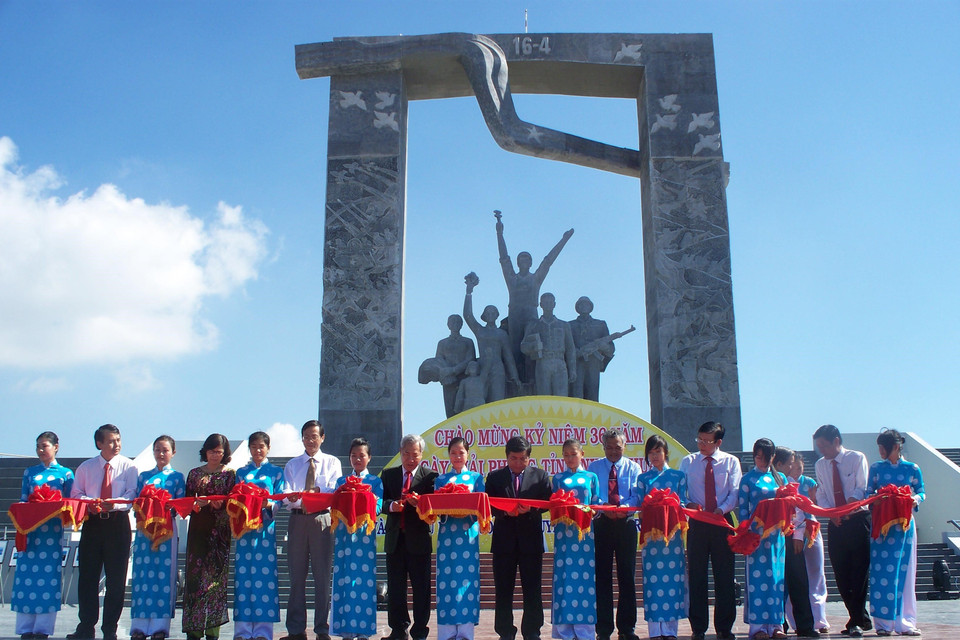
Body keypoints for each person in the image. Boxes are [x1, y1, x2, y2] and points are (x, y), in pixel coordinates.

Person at [68, 424, 139, 640]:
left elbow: (131, 494)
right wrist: (93, 502)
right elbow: (76, 493)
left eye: (118, 440)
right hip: (93, 524)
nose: (116, 445)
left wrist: (114, 505)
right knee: (88, 577)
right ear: (99, 443)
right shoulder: (86, 468)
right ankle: (86, 626)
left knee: (116, 580)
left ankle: (110, 629)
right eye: (110, 441)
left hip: (118, 524)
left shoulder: (129, 466)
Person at [485, 435, 552, 640]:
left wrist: (530, 510)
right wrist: (506, 512)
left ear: (529, 458)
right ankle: (505, 632)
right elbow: (488, 505)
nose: (518, 462)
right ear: (506, 457)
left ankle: (532, 631)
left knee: (532, 589)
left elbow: (548, 503)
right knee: (503, 590)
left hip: (530, 542)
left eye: (522, 458)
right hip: (504, 543)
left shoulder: (540, 476)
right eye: (514, 458)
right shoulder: (495, 478)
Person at [678, 421, 740, 640]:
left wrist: (721, 509)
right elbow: (679, 492)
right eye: (699, 440)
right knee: (697, 575)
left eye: (707, 441)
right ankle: (698, 627)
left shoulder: (731, 462)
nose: (702, 444)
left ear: (719, 442)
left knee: (724, 576)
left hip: (722, 522)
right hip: (697, 523)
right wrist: (687, 503)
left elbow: (735, 492)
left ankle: (724, 627)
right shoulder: (688, 462)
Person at [281, 420, 343, 640]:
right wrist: (297, 497)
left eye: (314, 436)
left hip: (322, 520)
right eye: (306, 436)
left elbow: (333, 491)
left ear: (322, 437)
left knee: (322, 575)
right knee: (297, 576)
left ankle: (322, 628)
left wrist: (314, 493)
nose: (310, 440)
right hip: (298, 520)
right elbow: (287, 494)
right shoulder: (293, 464)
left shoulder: (332, 462)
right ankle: (296, 629)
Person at [496, 211, 574, 383]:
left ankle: (533, 381)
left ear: (530, 263)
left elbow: (548, 261)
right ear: (518, 263)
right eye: (521, 258)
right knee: (515, 349)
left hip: (531, 316)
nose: (524, 260)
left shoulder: (535, 278)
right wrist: (499, 234)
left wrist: (564, 239)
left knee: (533, 348)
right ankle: (515, 382)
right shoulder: (512, 278)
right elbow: (504, 258)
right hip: (515, 316)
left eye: (527, 258)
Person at [12, 431, 74, 640]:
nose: (40, 450)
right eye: (37, 446)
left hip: (52, 534)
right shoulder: (30, 472)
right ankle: (26, 628)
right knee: (27, 578)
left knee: (47, 579)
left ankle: (43, 629)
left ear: (56, 447)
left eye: (44, 446)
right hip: (31, 533)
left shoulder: (65, 474)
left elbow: (70, 504)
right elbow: (23, 500)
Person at [813, 424, 871, 637]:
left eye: (825, 446)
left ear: (836, 441)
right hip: (836, 522)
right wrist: (832, 513)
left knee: (859, 572)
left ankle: (855, 621)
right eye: (819, 447)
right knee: (841, 573)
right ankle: (860, 617)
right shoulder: (821, 465)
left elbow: (861, 487)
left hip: (857, 519)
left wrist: (849, 507)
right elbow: (822, 494)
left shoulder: (856, 458)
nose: (822, 451)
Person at [866, 429, 924, 636]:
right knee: (882, 573)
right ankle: (882, 623)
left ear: (896, 447)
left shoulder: (912, 468)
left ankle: (905, 622)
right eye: (879, 447)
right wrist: (877, 498)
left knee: (905, 573)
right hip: (882, 528)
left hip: (903, 527)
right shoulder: (876, 469)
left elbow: (921, 491)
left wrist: (914, 500)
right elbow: (868, 492)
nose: (880, 451)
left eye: (884, 447)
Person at [380, 434, 438, 640]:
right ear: (400, 453)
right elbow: (380, 502)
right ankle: (398, 630)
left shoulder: (431, 477)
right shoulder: (388, 475)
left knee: (421, 588)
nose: (410, 458)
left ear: (421, 454)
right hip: (395, 541)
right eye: (406, 454)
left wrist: (420, 503)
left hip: (418, 541)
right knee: (396, 589)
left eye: (415, 454)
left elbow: (435, 507)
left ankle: (420, 631)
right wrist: (391, 506)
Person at [587, 428, 642, 640]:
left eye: (617, 447)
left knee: (627, 576)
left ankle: (627, 629)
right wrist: (605, 508)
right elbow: (593, 497)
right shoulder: (594, 467)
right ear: (603, 447)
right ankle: (603, 629)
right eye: (608, 447)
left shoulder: (633, 467)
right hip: (602, 524)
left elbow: (636, 495)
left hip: (626, 525)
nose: (613, 451)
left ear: (624, 446)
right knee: (602, 577)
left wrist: (622, 509)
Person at [131, 435, 186, 640]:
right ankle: (138, 626)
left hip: (166, 532)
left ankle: (159, 628)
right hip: (144, 531)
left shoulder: (177, 477)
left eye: (165, 450)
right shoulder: (143, 476)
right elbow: (135, 502)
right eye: (157, 450)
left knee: (163, 577)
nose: (161, 454)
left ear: (173, 452)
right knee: (142, 575)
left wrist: (165, 504)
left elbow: (180, 504)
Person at [183, 433, 237, 640]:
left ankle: (213, 630)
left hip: (220, 533)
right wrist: (197, 504)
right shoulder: (194, 474)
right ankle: (194, 629)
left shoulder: (230, 474)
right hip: (198, 530)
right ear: (205, 451)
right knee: (195, 580)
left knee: (216, 583)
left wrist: (222, 504)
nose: (215, 455)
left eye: (219, 452)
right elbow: (186, 504)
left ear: (225, 454)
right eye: (212, 451)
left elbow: (234, 503)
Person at [635, 435, 688, 640]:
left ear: (666, 453)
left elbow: (682, 502)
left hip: (672, 537)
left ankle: (670, 630)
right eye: (651, 452)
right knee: (653, 583)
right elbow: (640, 506)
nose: (654, 456)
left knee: (672, 582)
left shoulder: (678, 476)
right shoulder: (643, 479)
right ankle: (655, 631)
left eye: (658, 451)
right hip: (651, 539)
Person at [234, 432, 285, 640]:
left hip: (265, 530)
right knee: (243, 578)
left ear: (268, 448)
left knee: (264, 579)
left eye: (261, 446)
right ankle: (243, 631)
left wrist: (269, 504)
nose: (257, 450)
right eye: (254, 446)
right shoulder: (241, 472)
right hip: (244, 532)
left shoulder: (275, 472)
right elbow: (235, 498)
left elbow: (280, 498)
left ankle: (263, 631)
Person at [331, 437, 383, 640]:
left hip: (365, 538)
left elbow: (378, 508)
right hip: (344, 539)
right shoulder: (340, 482)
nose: (357, 459)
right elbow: (333, 506)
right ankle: (345, 629)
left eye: (362, 455)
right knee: (344, 581)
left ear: (369, 458)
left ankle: (363, 630)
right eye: (354, 456)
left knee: (364, 583)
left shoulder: (375, 482)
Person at [434, 437, 485, 640]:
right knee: (446, 581)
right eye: (453, 453)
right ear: (449, 455)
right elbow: (435, 508)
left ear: (468, 454)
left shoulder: (476, 478)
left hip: (467, 537)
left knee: (466, 582)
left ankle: (465, 632)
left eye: (461, 452)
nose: (457, 456)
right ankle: (446, 633)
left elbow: (481, 505)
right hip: (447, 537)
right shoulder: (441, 480)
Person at [738, 439, 789, 640]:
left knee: (776, 580)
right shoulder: (748, 479)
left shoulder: (781, 479)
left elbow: (787, 505)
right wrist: (746, 532)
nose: (761, 461)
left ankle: (776, 625)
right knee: (757, 581)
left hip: (777, 538)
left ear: (772, 457)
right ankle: (758, 627)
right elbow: (743, 510)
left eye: (765, 457)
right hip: (756, 537)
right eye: (758, 457)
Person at [550, 439, 600, 640]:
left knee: (584, 580)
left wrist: (590, 510)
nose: (570, 458)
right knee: (563, 579)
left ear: (582, 454)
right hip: (564, 535)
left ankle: (585, 631)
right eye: (566, 455)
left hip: (584, 535)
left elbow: (597, 503)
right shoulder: (558, 478)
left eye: (573, 454)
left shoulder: (591, 477)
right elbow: (553, 503)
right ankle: (564, 631)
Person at [771, 448, 819, 639]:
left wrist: (798, 535)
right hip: (772, 538)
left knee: (799, 581)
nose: (793, 467)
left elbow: (800, 512)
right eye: (790, 463)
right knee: (777, 583)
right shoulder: (768, 481)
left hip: (791, 537)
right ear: (779, 465)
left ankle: (805, 625)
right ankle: (778, 625)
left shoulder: (794, 485)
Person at [463, 272, 521, 402]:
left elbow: (508, 357)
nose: (490, 314)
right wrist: (469, 293)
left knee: (497, 401)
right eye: (488, 312)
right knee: (480, 400)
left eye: (493, 312)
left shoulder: (501, 334)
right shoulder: (480, 331)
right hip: (482, 367)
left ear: (496, 315)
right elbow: (467, 316)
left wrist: (514, 376)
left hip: (497, 369)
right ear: (484, 315)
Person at [788, 454, 829, 634]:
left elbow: (819, 504)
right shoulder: (784, 484)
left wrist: (815, 499)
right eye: (793, 467)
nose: (797, 471)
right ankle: (796, 620)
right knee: (794, 577)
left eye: (800, 467)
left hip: (811, 530)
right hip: (791, 531)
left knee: (816, 574)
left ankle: (819, 619)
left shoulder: (809, 482)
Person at [520, 292, 577, 397]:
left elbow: (570, 349)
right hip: (543, 362)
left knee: (561, 396)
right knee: (544, 396)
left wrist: (572, 369)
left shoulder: (564, 325)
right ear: (541, 304)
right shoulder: (533, 325)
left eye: (550, 302)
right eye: (545, 302)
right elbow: (523, 346)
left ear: (554, 304)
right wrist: (534, 346)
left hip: (560, 362)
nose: (548, 304)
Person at [568, 296, 613, 402]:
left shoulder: (600, 324)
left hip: (594, 362)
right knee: (576, 392)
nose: (584, 307)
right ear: (577, 307)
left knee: (593, 392)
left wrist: (603, 347)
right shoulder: (570, 325)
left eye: (587, 304)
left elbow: (611, 348)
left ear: (590, 307)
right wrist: (577, 352)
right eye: (581, 304)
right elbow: (567, 345)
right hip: (577, 362)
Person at [434, 314, 477, 417]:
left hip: (464, 377)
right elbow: (438, 360)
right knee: (450, 408)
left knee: (465, 408)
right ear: (448, 325)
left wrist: (454, 370)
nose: (455, 324)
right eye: (452, 322)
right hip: (448, 380)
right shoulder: (442, 343)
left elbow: (471, 359)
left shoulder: (468, 342)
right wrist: (446, 372)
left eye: (458, 322)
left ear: (461, 325)